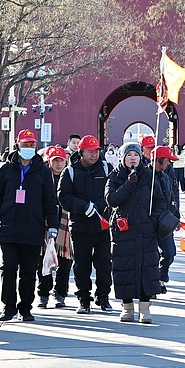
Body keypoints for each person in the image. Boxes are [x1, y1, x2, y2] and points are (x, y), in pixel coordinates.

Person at [0, 129, 60, 322]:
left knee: (29, 271)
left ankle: (26, 307)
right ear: (17, 145)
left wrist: (51, 225)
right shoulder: (6, 169)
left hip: (33, 228)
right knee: (9, 267)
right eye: (25, 144)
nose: (28, 148)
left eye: (31, 145)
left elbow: (50, 200)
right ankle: (8, 306)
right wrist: (2, 213)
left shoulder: (43, 171)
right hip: (8, 227)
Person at [106, 142, 167, 323]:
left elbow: (160, 201)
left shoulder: (149, 176)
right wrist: (128, 184)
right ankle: (127, 307)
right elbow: (112, 199)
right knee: (125, 267)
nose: (133, 158)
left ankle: (145, 307)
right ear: (122, 158)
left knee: (146, 266)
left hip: (146, 230)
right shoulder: (115, 177)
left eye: (136, 154)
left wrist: (153, 220)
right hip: (124, 231)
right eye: (129, 155)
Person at [59, 134, 113, 314]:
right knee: (81, 265)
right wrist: (83, 207)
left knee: (104, 263)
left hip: (102, 226)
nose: (94, 155)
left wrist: (98, 206)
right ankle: (83, 299)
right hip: (79, 226)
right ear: (81, 152)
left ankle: (103, 296)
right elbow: (63, 196)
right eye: (90, 151)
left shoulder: (106, 168)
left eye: (96, 151)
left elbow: (113, 191)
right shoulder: (70, 171)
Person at [38, 145, 74, 309]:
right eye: (55, 160)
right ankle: (43, 293)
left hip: (66, 224)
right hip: (45, 223)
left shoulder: (70, 176)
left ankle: (60, 293)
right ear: (49, 161)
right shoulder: (43, 177)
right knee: (43, 261)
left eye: (61, 160)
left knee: (65, 261)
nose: (59, 164)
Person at [151, 145, 181, 293]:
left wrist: (175, 217)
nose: (169, 163)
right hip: (149, 222)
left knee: (170, 253)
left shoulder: (166, 177)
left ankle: (162, 277)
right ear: (159, 160)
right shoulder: (146, 177)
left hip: (165, 222)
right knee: (152, 255)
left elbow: (171, 198)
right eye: (167, 160)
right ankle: (153, 283)